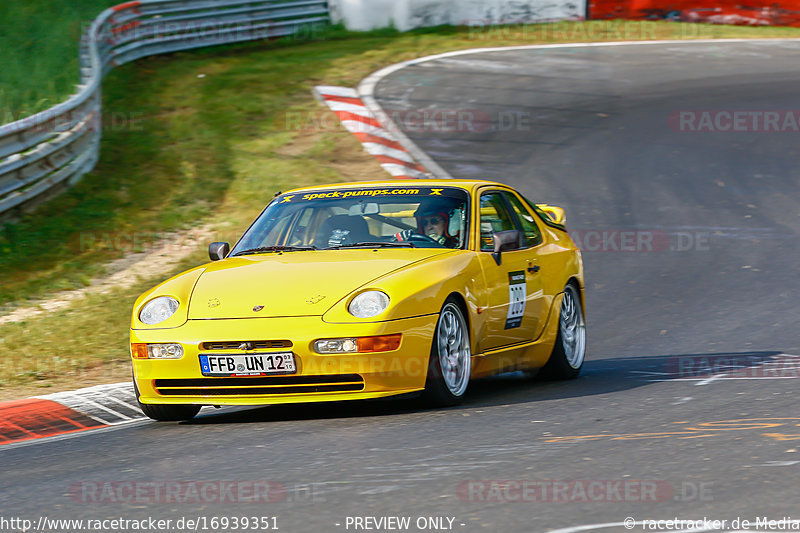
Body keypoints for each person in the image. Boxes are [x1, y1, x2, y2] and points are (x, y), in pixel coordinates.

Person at [394, 198, 461, 248]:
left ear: (449, 222)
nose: (429, 227)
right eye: (424, 223)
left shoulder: (459, 246)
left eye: (434, 221)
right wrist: (401, 242)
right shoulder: (415, 245)